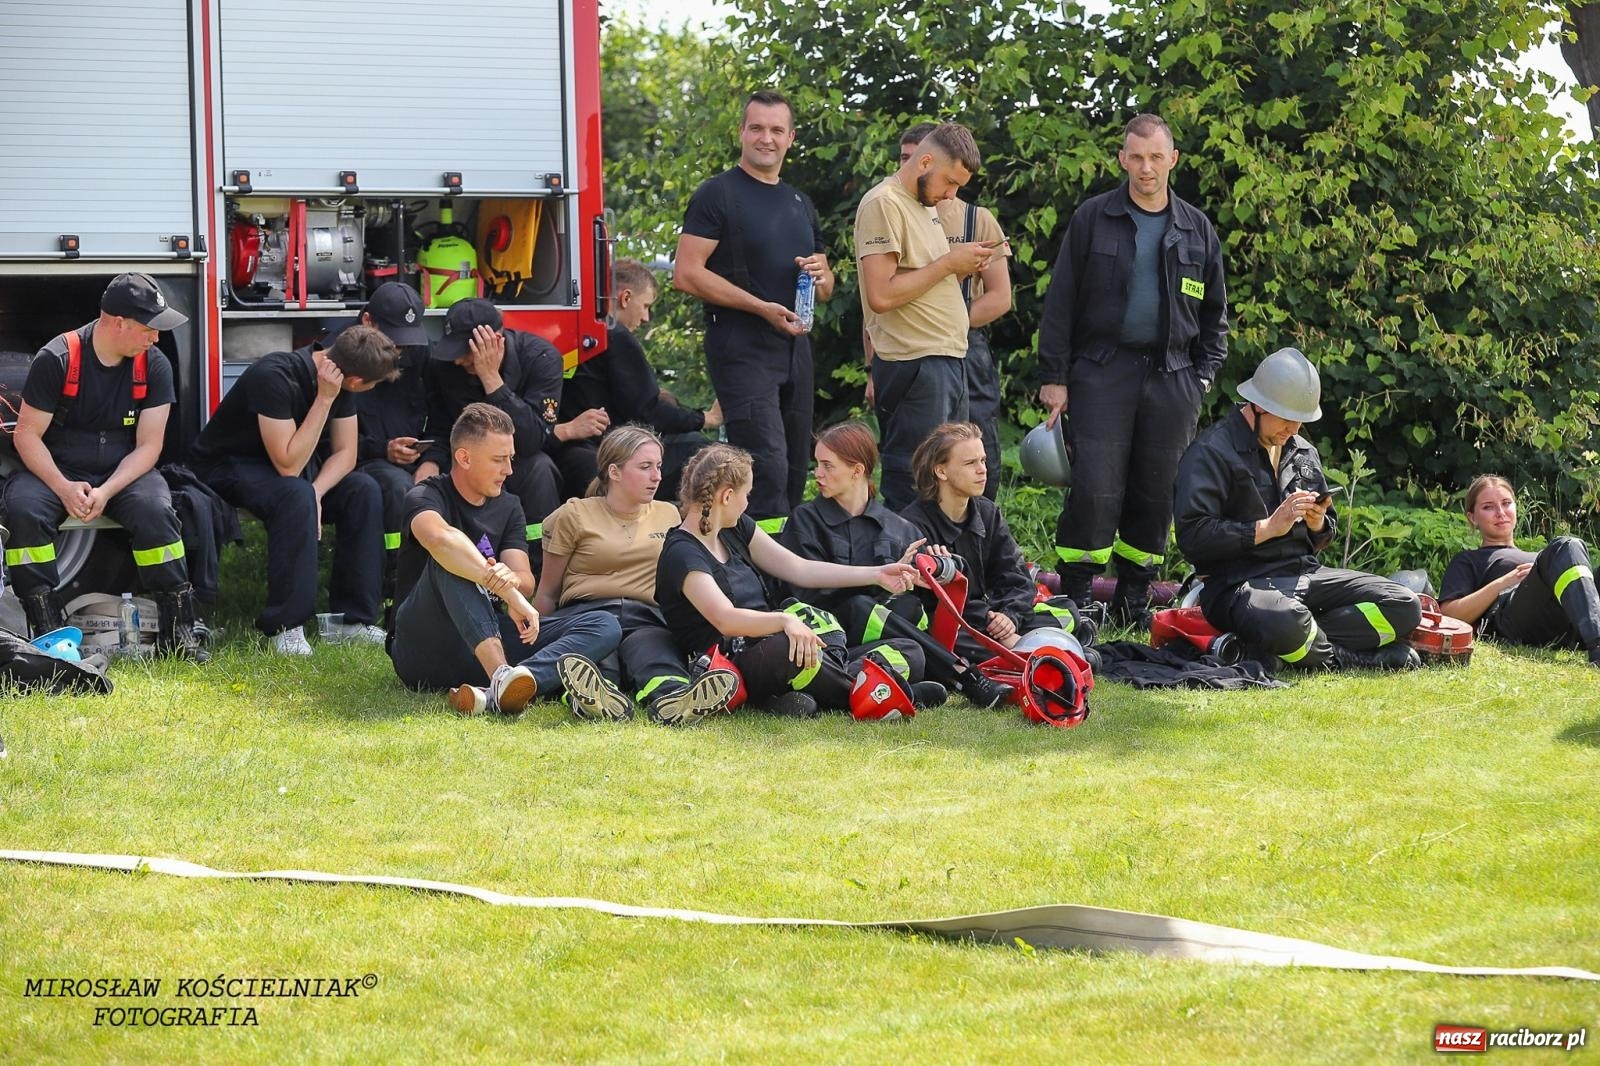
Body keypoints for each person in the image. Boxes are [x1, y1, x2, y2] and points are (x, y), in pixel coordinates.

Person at [1037, 113, 1229, 626]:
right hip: (1101, 371)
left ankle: (1134, 595)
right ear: (1122, 159)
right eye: (1136, 157)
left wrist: (1201, 377)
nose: (1146, 168)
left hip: (1173, 377)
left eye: (1156, 157)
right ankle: (1075, 594)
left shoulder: (1196, 228)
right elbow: (1061, 302)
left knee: (1158, 488)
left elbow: (1216, 318)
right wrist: (1055, 377)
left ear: (1173, 160)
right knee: (1096, 487)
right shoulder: (1094, 218)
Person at [1172, 348, 1422, 672]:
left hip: (1303, 574)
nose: (1293, 430)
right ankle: (1346, 657)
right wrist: (1266, 529)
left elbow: (1320, 537)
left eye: (1300, 422)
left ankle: (1291, 645)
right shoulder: (1210, 452)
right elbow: (1193, 538)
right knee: (1284, 619)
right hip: (1237, 586)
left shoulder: (1302, 451)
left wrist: (1319, 525)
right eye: (1287, 419)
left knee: (1404, 605)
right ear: (1259, 405)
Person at [3, 273, 205, 659]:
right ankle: (48, 635)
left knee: (155, 511)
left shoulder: (155, 365)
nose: (156, 338)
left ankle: (179, 631)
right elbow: (26, 437)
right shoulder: (58, 358)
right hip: (57, 467)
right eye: (149, 328)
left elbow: (149, 446)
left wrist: (108, 490)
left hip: (124, 470)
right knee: (23, 511)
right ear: (117, 323)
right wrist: (63, 487)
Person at [654, 444, 923, 717]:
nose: (748, 502)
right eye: (746, 494)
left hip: (777, 645)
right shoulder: (682, 552)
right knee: (786, 650)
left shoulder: (735, 527)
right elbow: (725, 619)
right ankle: (876, 694)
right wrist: (784, 621)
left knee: (910, 650)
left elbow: (799, 568)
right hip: (735, 662)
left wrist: (876, 574)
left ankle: (818, 692)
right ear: (726, 496)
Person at [389, 403, 624, 716]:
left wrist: (512, 581)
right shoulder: (424, 496)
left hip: (484, 638)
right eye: (499, 460)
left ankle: (513, 685)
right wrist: (503, 588)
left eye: (510, 459)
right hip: (422, 647)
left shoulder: (510, 506)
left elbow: (524, 579)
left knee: (604, 624)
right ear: (464, 458)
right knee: (452, 559)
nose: (509, 470)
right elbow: (440, 539)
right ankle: (501, 676)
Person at [674, 89, 834, 531]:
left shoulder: (799, 202)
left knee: (798, 464)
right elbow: (686, 273)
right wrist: (760, 307)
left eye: (776, 130)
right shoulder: (717, 193)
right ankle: (756, 576)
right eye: (757, 128)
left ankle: (785, 569)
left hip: (794, 347)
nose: (767, 138)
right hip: (740, 344)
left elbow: (826, 287)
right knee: (765, 466)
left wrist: (824, 272)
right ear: (741, 132)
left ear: (791, 137)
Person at [190, 324, 398, 655]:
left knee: (363, 489)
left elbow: (346, 454)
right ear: (356, 381)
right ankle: (284, 628)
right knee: (296, 494)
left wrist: (317, 491)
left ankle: (351, 621)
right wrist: (324, 399)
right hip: (227, 466)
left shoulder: (341, 378)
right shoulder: (274, 375)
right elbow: (288, 464)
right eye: (370, 385)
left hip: (290, 470)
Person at [780, 421, 1008, 707]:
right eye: (818, 464)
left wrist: (929, 577)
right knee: (859, 606)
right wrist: (875, 581)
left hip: (870, 643)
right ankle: (964, 676)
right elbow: (805, 593)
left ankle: (889, 689)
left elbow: (924, 608)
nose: (818, 474)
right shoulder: (805, 520)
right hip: (826, 635)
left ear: (857, 470)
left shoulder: (899, 528)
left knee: (913, 648)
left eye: (827, 465)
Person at [534, 426, 740, 725]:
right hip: (588, 615)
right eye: (645, 467)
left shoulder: (669, 515)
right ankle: (592, 696)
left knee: (654, 652)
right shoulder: (573, 515)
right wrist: (539, 636)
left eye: (658, 466)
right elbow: (548, 592)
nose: (657, 476)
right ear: (614, 472)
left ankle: (675, 698)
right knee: (598, 655)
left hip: (645, 615)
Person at [868, 124, 1013, 500]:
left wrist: (956, 269)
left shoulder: (923, 204)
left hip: (948, 358)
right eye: (949, 182)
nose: (952, 194)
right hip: (916, 363)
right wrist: (951, 264)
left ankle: (946, 558)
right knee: (915, 477)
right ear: (925, 161)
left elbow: (923, 278)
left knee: (950, 478)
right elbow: (880, 295)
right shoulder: (884, 202)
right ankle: (907, 557)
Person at [413, 299, 609, 566]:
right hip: (463, 458)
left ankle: (537, 568)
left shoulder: (541, 358)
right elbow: (440, 425)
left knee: (541, 469)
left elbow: (532, 439)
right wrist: (430, 461)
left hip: (517, 458)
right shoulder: (445, 366)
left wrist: (491, 379)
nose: (457, 360)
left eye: (465, 351)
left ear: (494, 340)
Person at [898, 423, 1091, 665]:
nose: (982, 470)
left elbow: (1016, 577)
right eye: (971, 463)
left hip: (992, 620)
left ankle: (1022, 649)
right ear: (941, 471)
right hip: (953, 627)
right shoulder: (913, 525)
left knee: (1066, 610)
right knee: (940, 640)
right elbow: (933, 605)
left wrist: (1008, 616)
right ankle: (1037, 650)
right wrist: (992, 621)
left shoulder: (987, 512)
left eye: (983, 460)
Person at [559, 259, 722, 500]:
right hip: (605, 448)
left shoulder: (575, 330)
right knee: (702, 452)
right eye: (645, 305)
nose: (646, 317)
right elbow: (647, 410)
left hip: (572, 450)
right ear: (625, 298)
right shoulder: (615, 335)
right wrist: (706, 418)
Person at [1438, 475, 1600, 667]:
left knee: (1566, 551)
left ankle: (1591, 630)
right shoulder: (1468, 560)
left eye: (1506, 503)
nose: (1500, 512)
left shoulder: (1544, 556)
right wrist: (1505, 581)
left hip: (1568, 617)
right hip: (1514, 617)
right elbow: (1449, 615)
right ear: (1472, 517)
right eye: (1488, 507)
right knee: (1567, 546)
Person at [349, 283, 435, 599]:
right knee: (401, 490)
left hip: (415, 462)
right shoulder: (343, 356)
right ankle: (397, 586)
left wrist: (431, 458)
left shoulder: (420, 355)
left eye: (406, 341)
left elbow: (443, 413)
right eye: (392, 341)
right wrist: (382, 449)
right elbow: (330, 444)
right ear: (367, 322)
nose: (399, 351)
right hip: (361, 462)